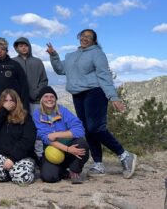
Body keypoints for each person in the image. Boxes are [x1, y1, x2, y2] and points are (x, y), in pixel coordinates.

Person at [47, 29, 137, 179]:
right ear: (79, 38)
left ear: (94, 41)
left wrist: (113, 97)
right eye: (83, 36)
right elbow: (60, 70)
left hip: (95, 91)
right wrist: (53, 55)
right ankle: (98, 164)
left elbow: (104, 75)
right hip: (78, 94)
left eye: (89, 37)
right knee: (87, 130)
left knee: (95, 127)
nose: (85, 38)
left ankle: (124, 155)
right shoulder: (71, 56)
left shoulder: (97, 54)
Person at [33, 86, 89, 184]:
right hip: (53, 150)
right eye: (46, 96)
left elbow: (79, 130)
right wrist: (67, 149)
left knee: (81, 143)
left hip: (70, 149)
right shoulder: (37, 115)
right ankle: (63, 172)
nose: (49, 99)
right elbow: (46, 138)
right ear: (41, 100)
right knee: (49, 177)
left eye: (52, 96)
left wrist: (57, 134)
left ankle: (75, 171)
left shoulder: (63, 111)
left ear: (56, 99)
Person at [0, 89, 36, 185]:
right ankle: (10, 173)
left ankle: (19, 172)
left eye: (11, 100)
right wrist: (4, 111)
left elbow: (28, 140)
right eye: (5, 100)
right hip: (0, 154)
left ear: (17, 102)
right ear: (1, 102)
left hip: (21, 155)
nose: (8, 103)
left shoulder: (25, 117)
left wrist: (12, 158)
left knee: (22, 178)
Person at [12, 37, 48, 160]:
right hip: (19, 103)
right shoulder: (12, 62)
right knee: (19, 128)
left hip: (36, 101)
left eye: (25, 45)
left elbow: (44, 80)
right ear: (16, 48)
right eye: (20, 46)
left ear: (29, 46)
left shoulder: (38, 62)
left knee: (37, 127)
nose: (23, 48)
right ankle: (22, 155)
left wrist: (35, 93)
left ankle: (39, 157)